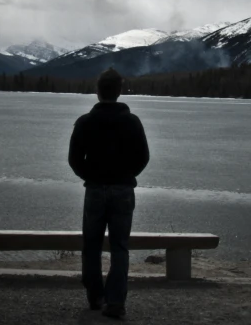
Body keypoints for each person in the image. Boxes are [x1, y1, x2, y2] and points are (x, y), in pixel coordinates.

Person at [68, 67, 150, 319]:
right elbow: (143, 157)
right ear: (119, 91)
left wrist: (91, 177)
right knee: (120, 247)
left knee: (91, 246)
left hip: (94, 191)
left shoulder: (85, 122)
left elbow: (74, 159)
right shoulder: (132, 121)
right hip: (123, 191)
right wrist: (126, 177)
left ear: (98, 91)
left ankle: (96, 297)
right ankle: (115, 302)